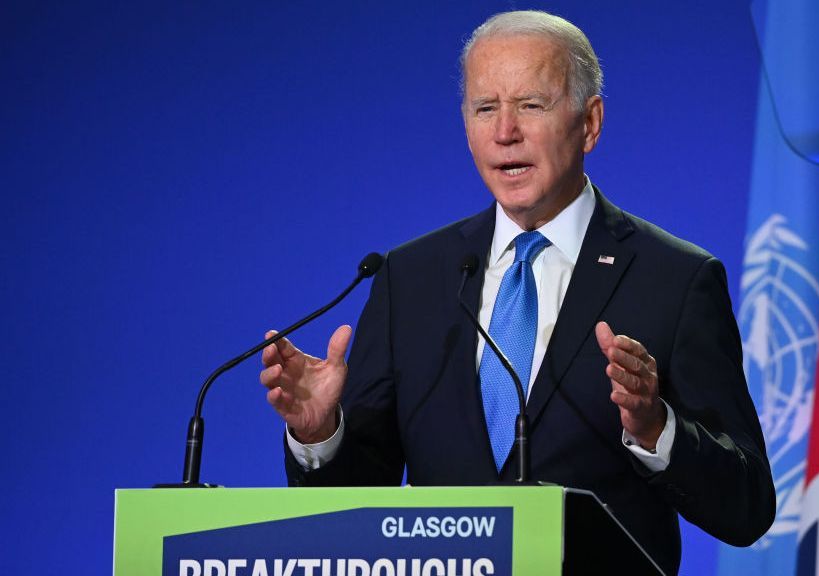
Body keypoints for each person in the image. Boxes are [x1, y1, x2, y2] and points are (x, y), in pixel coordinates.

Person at [259, 10, 774, 575]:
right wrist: (320, 436)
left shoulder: (674, 279)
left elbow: (747, 508)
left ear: (590, 122)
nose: (505, 131)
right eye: (486, 108)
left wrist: (657, 429)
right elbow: (357, 504)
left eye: (531, 105)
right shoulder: (410, 279)